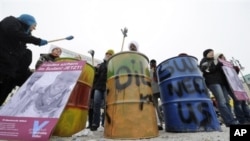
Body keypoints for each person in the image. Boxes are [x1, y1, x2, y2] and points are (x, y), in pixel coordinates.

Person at [0, 14, 48, 106]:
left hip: (9, 75)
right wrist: (36, 40)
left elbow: (20, 64)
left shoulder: (22, 45)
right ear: (28, 22)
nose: (34, 29)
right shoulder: (11, 21)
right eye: (34, 26)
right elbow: (13, 32)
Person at [199, 49, 239, 127]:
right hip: (213, 82)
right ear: (206, 54)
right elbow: (207, 70)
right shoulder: (204, 61)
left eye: (213, 52)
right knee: (222, 102)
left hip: (222, 83)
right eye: (210, 52)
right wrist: (218, 65)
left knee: (227, 101)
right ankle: (229, 121)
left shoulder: (217, 61)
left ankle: (231, 119)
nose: (212, 54)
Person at [214, 53, 250, 124]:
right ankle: (242, 119)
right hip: (229, 85)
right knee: (237, 102)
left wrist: (236, 69)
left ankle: (248, 117)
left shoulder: (228, 64)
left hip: (237, 85)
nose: (223, 58)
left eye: (223, 56)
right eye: (221, 57)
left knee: (243, 102)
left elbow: (233, 74)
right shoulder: (218, 66)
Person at [91, 49, 115, 131]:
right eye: (107, 54)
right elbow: (96, 75)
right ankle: (95, 123)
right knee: (96, 104)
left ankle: (105, 123)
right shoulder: (100, 65)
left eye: (110, 54)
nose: (108, 55)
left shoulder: (113, 64)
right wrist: (95, 70)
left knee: (107, 105)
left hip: (107, 87)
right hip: (98, 86)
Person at [150, 59, 164, 130]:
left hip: (160, 89)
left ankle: (167, 121)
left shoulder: (159, 70)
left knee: (164, 106)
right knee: (156, 109)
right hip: (153, 91)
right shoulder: (149, 72)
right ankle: (160, 123)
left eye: (154, 63)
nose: (152, 64)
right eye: (151, 63)